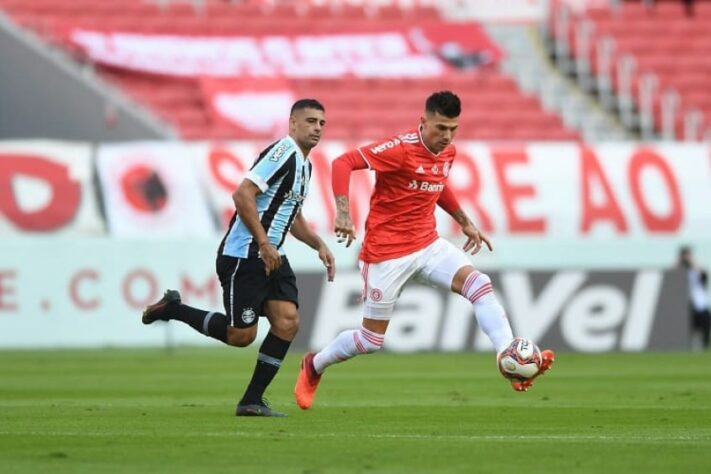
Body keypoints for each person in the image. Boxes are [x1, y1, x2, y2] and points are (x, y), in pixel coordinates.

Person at [294, 91, 555, 410]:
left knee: (480, 285)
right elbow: (343, 162)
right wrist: (343, 212)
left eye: (453, 129)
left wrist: (465, 221)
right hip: (386, 254)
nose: (447, 136)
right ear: (423, 122)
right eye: (441, 128)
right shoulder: (400, 149)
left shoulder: (448, 153)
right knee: (370, 341)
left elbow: (438, 182)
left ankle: (507, 355)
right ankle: (313, 365)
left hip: (428, 244)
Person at [142, 99, 335, 417]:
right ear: (293, 124)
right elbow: (242, 194)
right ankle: (173, 308)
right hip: (245, 255)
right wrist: (262, 243)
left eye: (321, 123)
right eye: (311, 121)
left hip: (273, 254)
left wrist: (318, 244)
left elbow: (291, 213)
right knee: (241, 336)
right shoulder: (283, 152)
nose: (317, 128)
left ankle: (251, 401)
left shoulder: (305, 164)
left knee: (287, 323)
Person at [679, 246, 710, 350]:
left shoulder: (696, 269)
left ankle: (704, 345)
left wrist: (695, 265)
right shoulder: (679, 269)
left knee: (705, 323)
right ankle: (690, 344)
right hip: (685, 303)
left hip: (699, 302)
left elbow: (704, 279)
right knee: (689, 326)